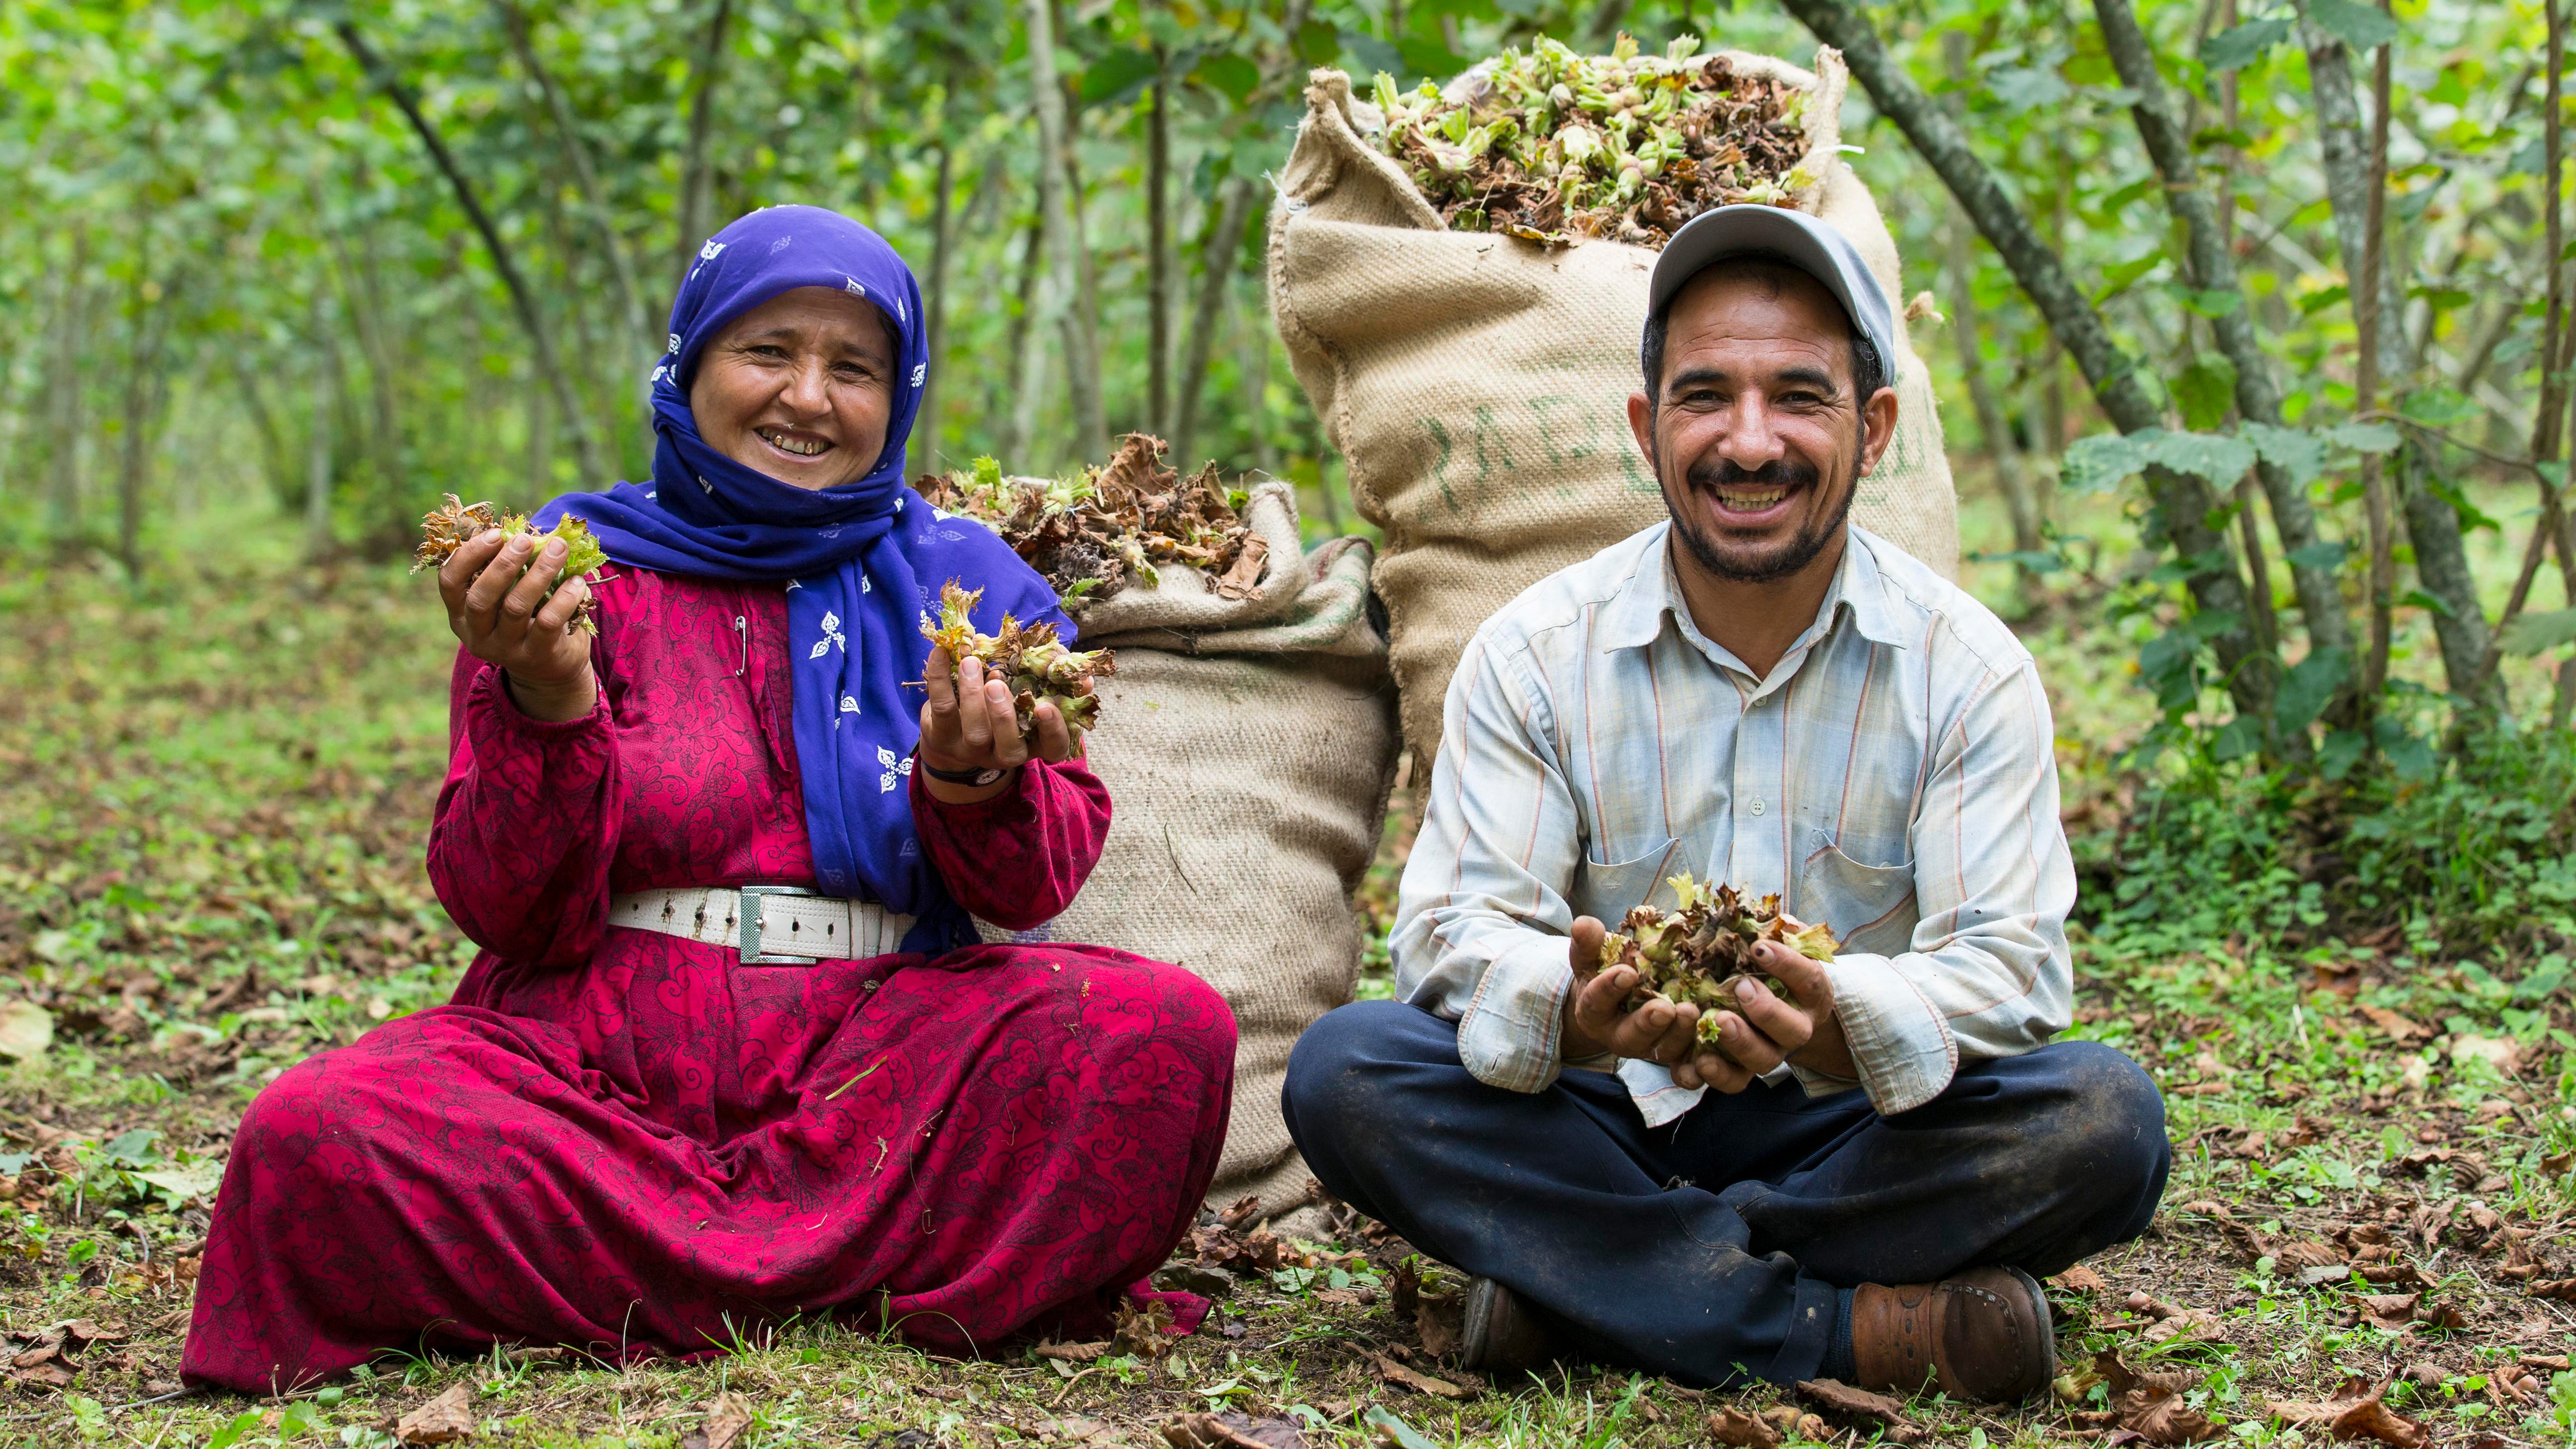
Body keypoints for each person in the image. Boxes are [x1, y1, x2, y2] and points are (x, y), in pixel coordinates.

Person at [181, 206, 1238, 1392]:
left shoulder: (971, 590)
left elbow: (1034, 887)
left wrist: (970, 777)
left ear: (901, 396)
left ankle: (650, 1279)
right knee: (314, 1132)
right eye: (768, 351)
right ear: (690, 364)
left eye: (855, 368)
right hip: (593, 1069)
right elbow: (505, 909)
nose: (808, 398)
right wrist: (546, 698)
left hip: (876, 1068)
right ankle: (850, 1277)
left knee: (1159, 1030)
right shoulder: (566, 572)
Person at [1281, 206, 2168, 1402]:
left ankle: (1585, 1286)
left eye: (1799, 396)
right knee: (1348, 1070)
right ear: (1648, 428)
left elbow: (2010, 967)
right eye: (1706, 397)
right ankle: (1848, 1333)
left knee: (2103, 1118)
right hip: (1595, 1119)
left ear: (1876, 426)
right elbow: (1453, 933)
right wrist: (1586, 1015)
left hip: (1848, 1133)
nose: (1749, 444)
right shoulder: (1537, 651)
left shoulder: (1966, 668)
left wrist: (1834, 1020)